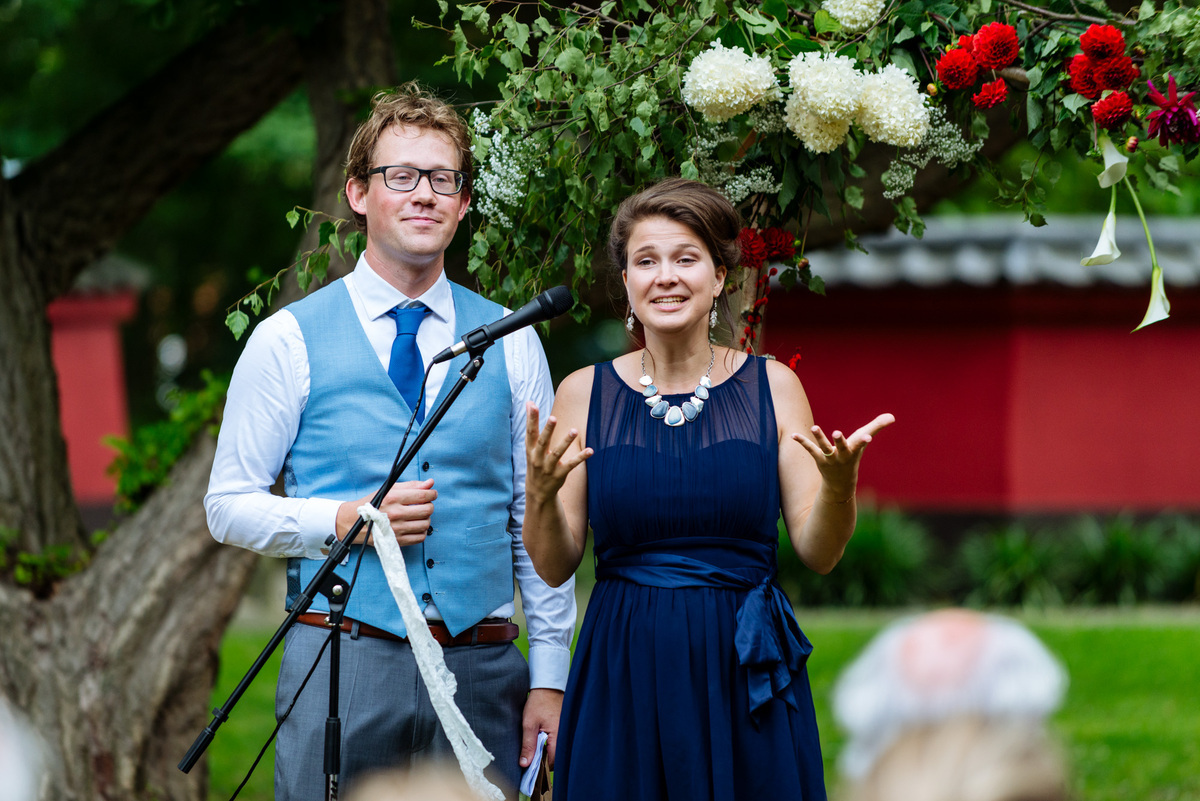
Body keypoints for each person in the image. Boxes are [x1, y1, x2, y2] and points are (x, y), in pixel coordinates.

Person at [204, 83, 575, 799]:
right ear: (357, 193)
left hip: (482, 667)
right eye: (400, 176)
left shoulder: (514, 336)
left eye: (444, 179)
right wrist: (340, 519)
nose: (424, 194)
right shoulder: (286, 338)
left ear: (465, 203)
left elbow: (538, 523)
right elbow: (228, 504)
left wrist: (550, 678)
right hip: (340, 659)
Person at [522, 177, 894, 800]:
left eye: (686, 259)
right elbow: (554, 564)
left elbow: (819, 551)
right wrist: (539, 493)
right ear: (627, 283)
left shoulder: (773, 388)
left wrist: (838, 488)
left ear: (720, 276)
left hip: (743, 664)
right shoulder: (582, 393)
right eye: (646, 261)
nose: (665, 276)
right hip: (625, 662)